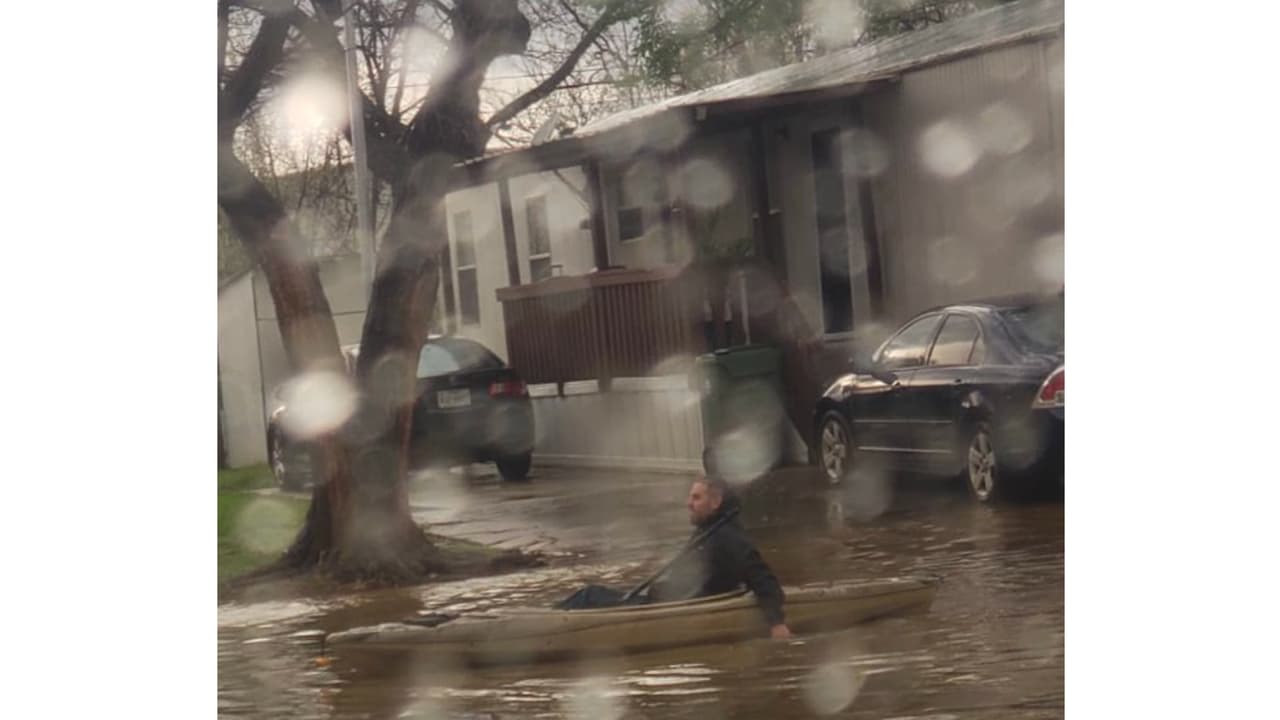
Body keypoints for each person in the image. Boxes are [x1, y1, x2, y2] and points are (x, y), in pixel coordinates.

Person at [556, 475, 793, 640]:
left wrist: (777, 624)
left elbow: (763, 578)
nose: (688, 504)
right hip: (664, 599)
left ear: (716, 501)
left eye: (696, 498)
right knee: (592, 594)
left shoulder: (728, 537)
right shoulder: (710, 529)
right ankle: (551, 616)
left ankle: (551, 622)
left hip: (672, 608)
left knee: (589, 595)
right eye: (690, 497)